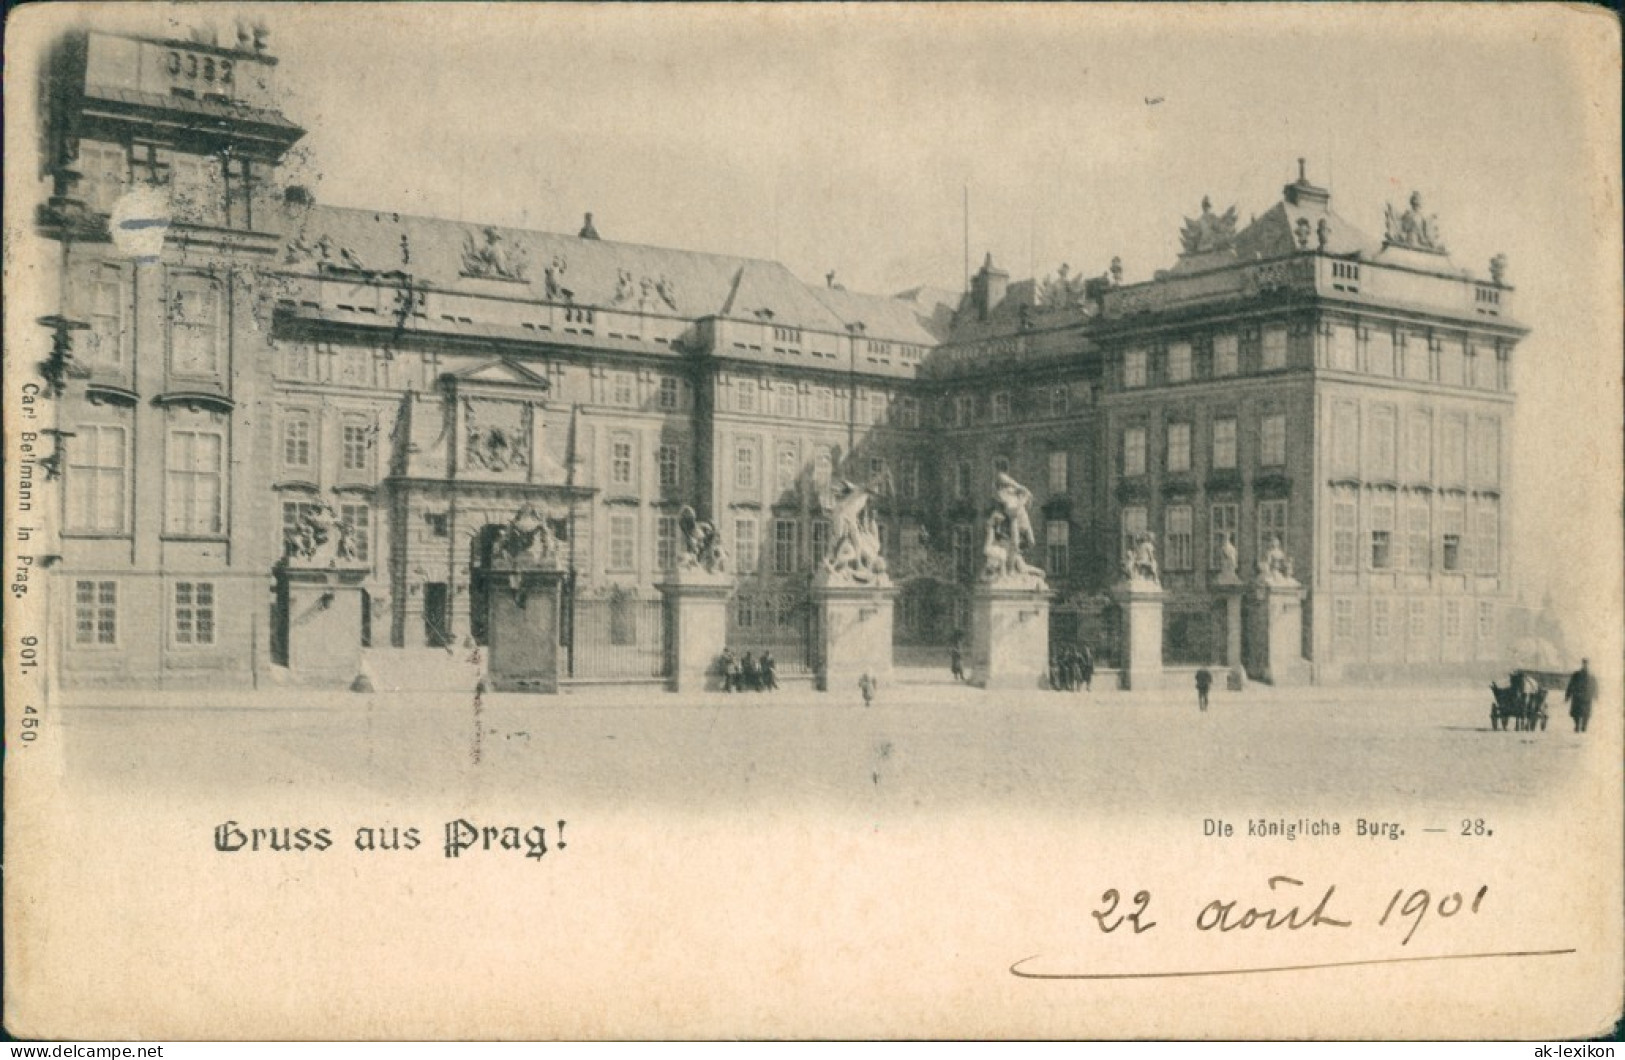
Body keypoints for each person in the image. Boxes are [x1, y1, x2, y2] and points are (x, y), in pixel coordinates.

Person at [1565, 658, 1597, 734]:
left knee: (1586, 714)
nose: (1585, 665)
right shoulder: (1576, 675)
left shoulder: (1591, 676)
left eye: (1586, 664)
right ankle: (1577, 725)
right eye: (1584, 664)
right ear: (1582, 664)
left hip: (1587, 697)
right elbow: (1571, 685)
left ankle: (1584, 726)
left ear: (1588, 665)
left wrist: (1596, 695)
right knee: (1576, 713)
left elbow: (1595, 686)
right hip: (1577, 697)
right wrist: (1568, 695)